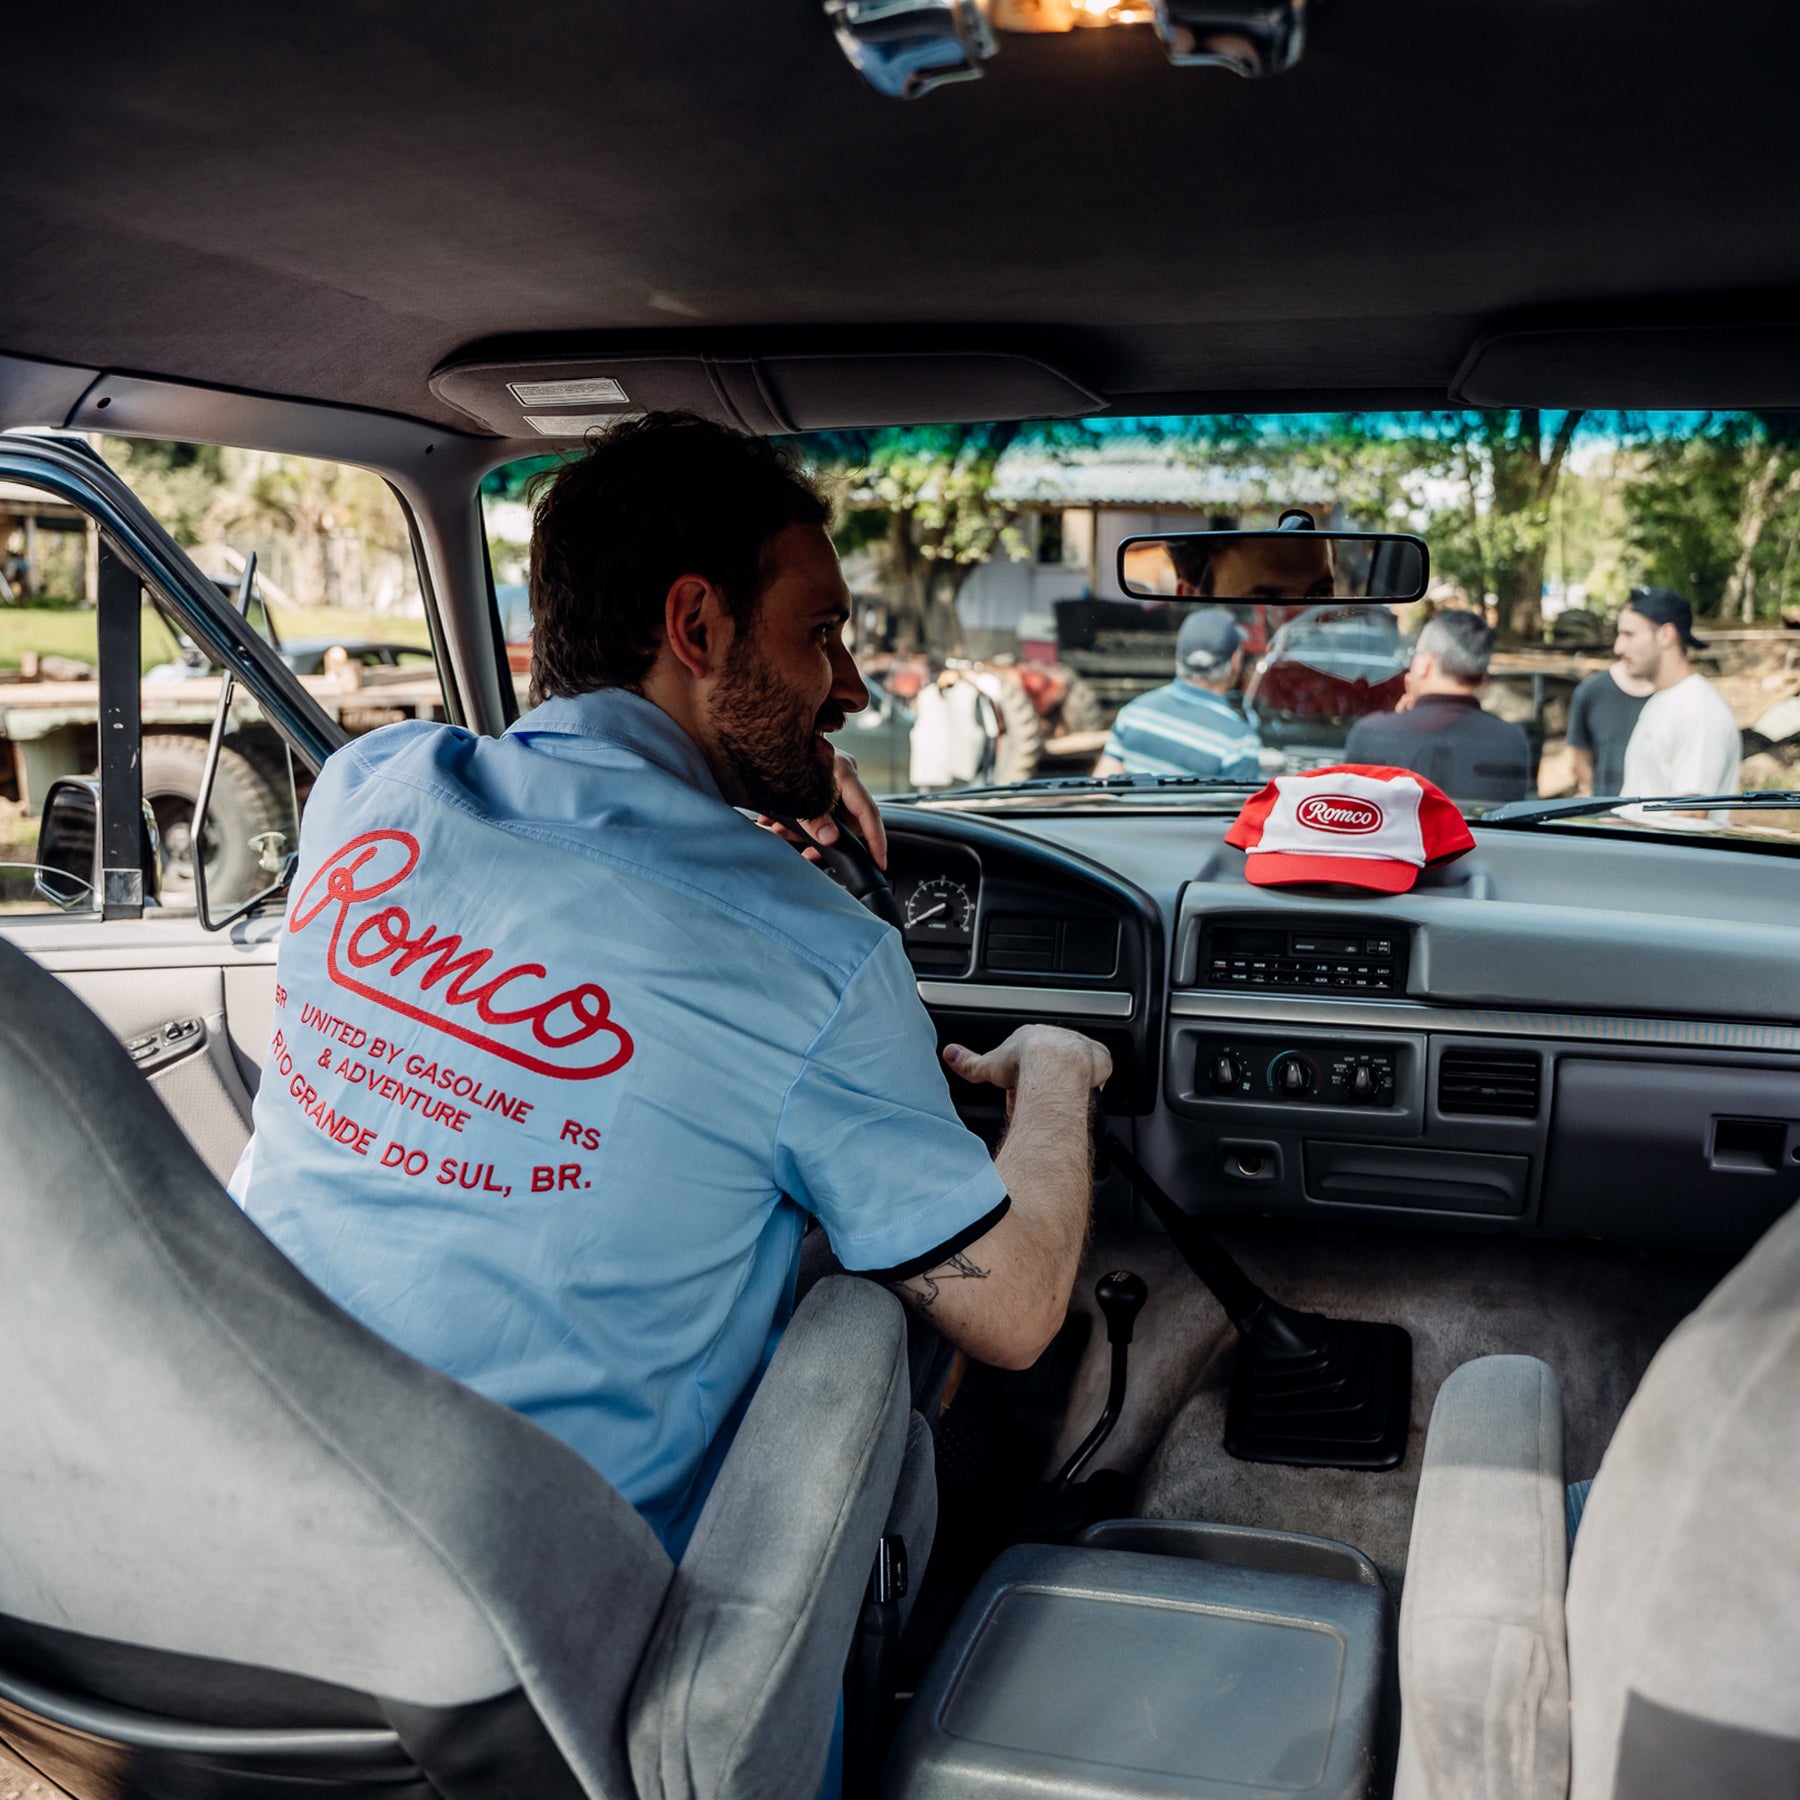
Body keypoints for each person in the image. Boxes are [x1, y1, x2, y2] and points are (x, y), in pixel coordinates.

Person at [230, 411, 1109, 1567]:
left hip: (235, 1489)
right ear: (695, 623)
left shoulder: (369, 787)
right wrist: (1054, 1070)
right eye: (822, 635)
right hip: (541, 1612)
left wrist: (742, 771)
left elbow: (571, 841)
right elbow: (1016, 1312)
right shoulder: (811, 948)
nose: (848, 688)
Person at [1343, 609, 1530, 803]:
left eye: (1415, 653)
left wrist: (1399, 718)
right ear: (1483, 676)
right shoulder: (1511, 740)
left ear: (1425, 663)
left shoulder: (1372, 733)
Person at [1614, 587, 1740, 826]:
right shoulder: (1663, 700)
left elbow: (1690, 815)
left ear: (1666, 635)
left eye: (1629, 634)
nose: (1618, 648)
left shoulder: (1698, 709)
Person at [1093, 609, 1262, 779]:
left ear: (1178, 656)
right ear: (1235, 660)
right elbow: (1236, 805)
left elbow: (1101, 790)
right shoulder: (1239, 740)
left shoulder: (1134, 713)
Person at [1565, 656, 1654, 797]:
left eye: (1630, 634)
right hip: (1606, 811)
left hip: (1659, 814)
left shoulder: (1683, 699)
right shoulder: (1590, 692)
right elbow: (1580, 754)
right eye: (1622, 634)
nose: (1620, 647)